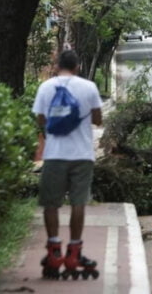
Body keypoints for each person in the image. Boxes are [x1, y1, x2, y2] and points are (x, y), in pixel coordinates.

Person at [33, 50, 103, 280]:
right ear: (77, 66)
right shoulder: (89, 87)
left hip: (54, 155)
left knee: (51, 204)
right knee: (78, 202)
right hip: (82, 155)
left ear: (57, 65)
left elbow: (41, 120)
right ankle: (74, 252)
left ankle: (54, 251)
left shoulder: (46, 87)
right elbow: (98, 119)